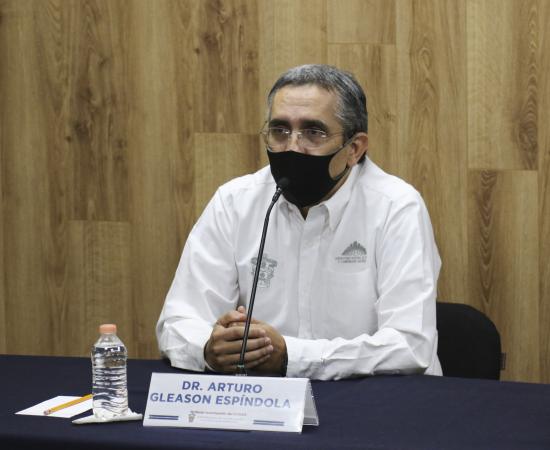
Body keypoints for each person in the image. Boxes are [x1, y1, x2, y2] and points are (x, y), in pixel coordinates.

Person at [156, 64, 442, 380]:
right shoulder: (235, 202)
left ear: (354, 148)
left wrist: (291, 357)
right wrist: (209, 348)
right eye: (280, 130)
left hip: (377, 400)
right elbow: (177, 323)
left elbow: (410, 346)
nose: (292, 147)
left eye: (313, 132)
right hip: (265, 402)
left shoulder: (396, 207)